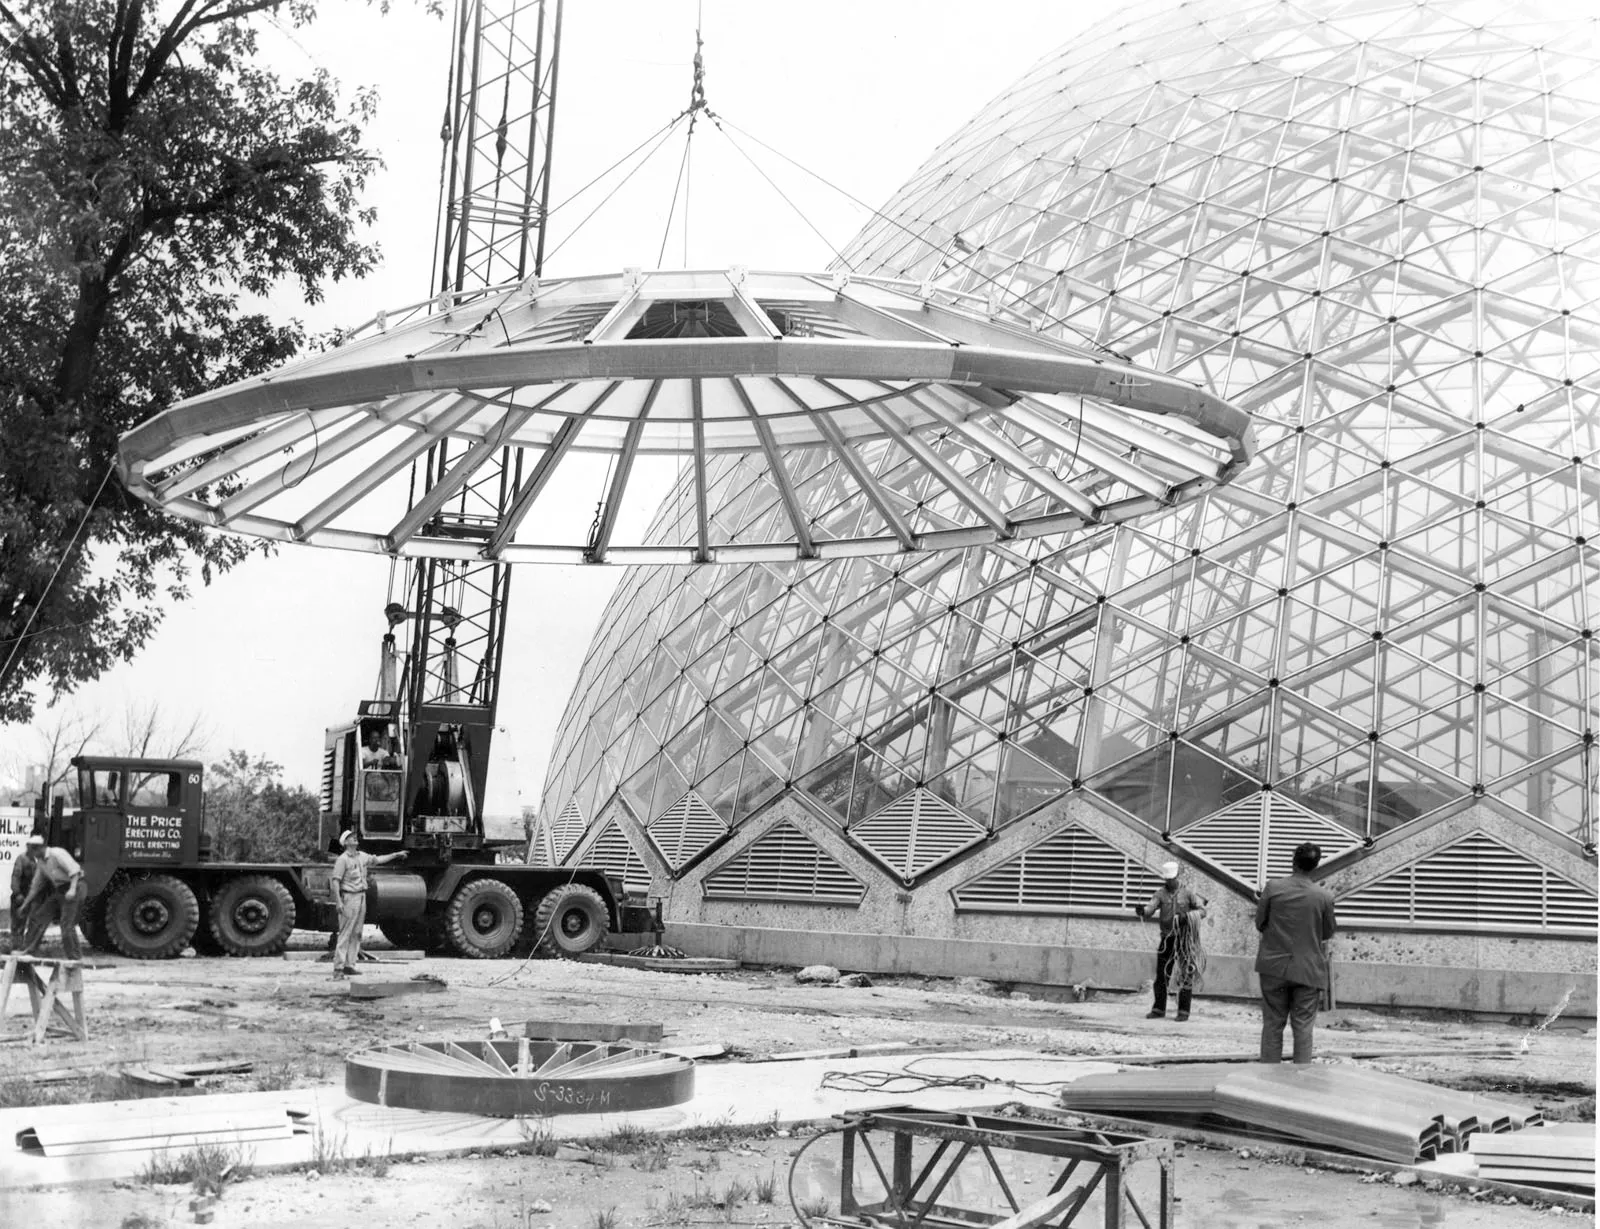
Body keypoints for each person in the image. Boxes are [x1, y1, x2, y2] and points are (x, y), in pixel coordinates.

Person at [1255, 841, 1338, 1064]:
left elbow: (1260, 923)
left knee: (1273, 1024)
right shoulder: (1324, 897)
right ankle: (1300, 1077)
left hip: (1274, 967)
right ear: (1316, 866)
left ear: (1293, 862)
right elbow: (1327, 932)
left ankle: (1268, 1076)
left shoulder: (1273, 888)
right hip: (1307, 969)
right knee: (1303, 1027)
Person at [1134, 860, 1206, 1021]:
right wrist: (1142, 911)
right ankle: (1159, 1009)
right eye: (1167, 879)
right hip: (1167, 938)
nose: (1169, 882)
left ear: (1177, 876)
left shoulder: (1188, 893)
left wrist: (1187, 916)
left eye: (1171, 879)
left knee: (1186, 973)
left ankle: (1183, 1011)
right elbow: (1150, 908)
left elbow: (1202, 911)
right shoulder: (1160, 894)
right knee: (1161, 974)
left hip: (1184, 938)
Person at [330, 829, 406, 977]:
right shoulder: (342, 860)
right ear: (345, 843)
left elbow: (378, 860)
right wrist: (338, 902)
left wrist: (395, 855)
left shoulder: (362, 856)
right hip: (349, 897)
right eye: (351, 837)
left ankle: (349, 965)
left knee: (357, 933)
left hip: (361, 897)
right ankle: (338, 968)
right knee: (345, 933)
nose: (355, 838)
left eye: (354, 836)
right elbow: (335, 881)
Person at [17, 834, 84, 962]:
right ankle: (30, 950)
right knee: (40, 917)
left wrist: (72, 889)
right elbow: (35, 887)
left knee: (66, 925)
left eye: (31, 851)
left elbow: (75, 872)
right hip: (59, 890)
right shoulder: (41, 862)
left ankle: (75, 958)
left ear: (38, 848)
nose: (30, 855)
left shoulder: (57, 854)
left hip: (74, 887)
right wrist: (25, 905)